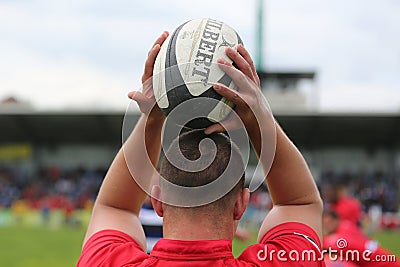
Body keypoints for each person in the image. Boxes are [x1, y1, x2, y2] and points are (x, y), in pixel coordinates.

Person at [77, 31, 325, 266]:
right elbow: (298, 204)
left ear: (157, 200)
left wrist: (153, 118)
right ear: (241, 204)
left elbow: (114, 207)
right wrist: (258, 117)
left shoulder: (107, 261)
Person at [323, 210, 399, 267]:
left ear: (336, 220)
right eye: (325, 224)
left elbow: (328, 244)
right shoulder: (347, 225)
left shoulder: (336, 239)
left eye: (329, 223)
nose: (327, 226)